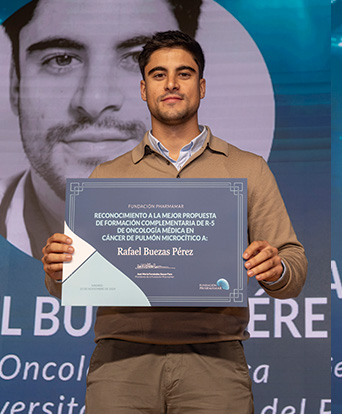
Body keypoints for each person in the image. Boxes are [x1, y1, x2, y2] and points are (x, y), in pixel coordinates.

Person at [41, 31, 307, 414]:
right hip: (121, 365)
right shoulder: (105, 177)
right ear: (144, 89)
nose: (171, 84)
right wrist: (57, 269)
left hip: (214, 363)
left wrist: (276, 268)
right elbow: (69, 283)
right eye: (158, 74)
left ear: (200, 87)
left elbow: (293, 268)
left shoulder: (248, 169)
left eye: (184, 74)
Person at [0, 0, 202, 257]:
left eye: (139, 59)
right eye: (61, 60)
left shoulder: (245, 233)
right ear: (16, 84)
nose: (94, 101)